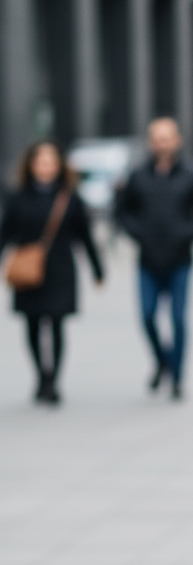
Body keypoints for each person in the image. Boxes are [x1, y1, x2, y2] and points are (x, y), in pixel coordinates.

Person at [116, 117, 193, 399]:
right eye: (157, 137)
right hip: (147, 260)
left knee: (178, 319)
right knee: (147, 316)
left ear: (177, 140)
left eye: (167, 136)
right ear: (150, 142)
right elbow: (122, 211)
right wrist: (138, 233)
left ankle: (178, 377)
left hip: (180, 260)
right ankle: (162, 361)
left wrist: (188, 232)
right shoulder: (138, 175)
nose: (162, 142)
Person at [0, 141, 104, 404]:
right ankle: (40, 375)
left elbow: (85, 236)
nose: (45, 167)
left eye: (50, 162)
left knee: (56, 324)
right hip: (29, 272)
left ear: (59, 166)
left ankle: (54, 380)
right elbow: (5, 233)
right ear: (31, 165)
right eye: (40, 162)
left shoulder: (69, 198)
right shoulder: (18, 197)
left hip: (60, 270)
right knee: (33, 326)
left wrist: (97, 269)